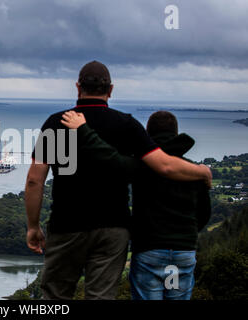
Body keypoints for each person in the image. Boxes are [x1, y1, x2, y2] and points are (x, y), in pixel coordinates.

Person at [25, 60, 212, 300]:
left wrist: (33, 226)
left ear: (77, 87)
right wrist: (203, 173)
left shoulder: (56, 123)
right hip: (113, 227)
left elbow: (34, 180)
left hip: (66, 224)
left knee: (54, 296)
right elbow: (165, 166)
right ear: (110, 90)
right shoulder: (127, 125)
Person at [61, 110, 211, 300]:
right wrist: (183, 235)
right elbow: (204, 213)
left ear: (148, 134)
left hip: (149, 250)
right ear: (176, 132)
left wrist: (83, 130)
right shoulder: (194, 172)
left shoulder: (141, 166)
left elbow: (109, 157)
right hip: (183, 252)